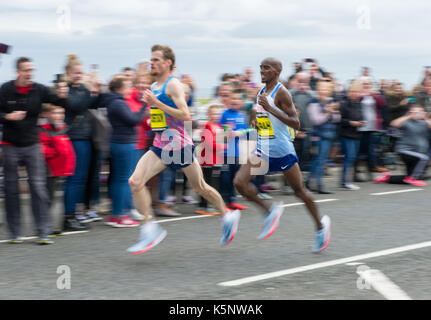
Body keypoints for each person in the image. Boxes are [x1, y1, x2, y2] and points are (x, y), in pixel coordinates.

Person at [126, 45, 237, 254]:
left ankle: (227, 215)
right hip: (161, 143)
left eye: (157, 59)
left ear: (168, 62)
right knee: (135, 181)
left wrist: (156, 102)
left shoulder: (173, 84)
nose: (153, 63)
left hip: (179, 144)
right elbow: (161, 115)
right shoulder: (154, 85)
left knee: (199, 187)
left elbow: (186, 115)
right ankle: (150, 228)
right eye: (151, 59)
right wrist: (152, 116)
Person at [233, 57, 331, 253]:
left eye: (266, 68)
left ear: (277, 71)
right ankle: (270, 212)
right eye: (260, 67)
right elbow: (262, 118)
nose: (262, 71)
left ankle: (321, 227)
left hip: (282, 151)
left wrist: (271, 108)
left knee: (299, 191)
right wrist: (256, 121)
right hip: (262, 150)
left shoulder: (282, 92)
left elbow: (296, 123)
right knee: (239, 182)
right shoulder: (261, 92)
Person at [0, 56, 68, 244]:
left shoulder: (39, 89)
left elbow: (59, 102)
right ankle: (15, 233)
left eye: (32, 70)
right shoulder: (5, 89)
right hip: (9, 145)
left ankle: (43, 232)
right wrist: (8, 117)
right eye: (26, 70)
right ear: (18, 72)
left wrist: (62, 94)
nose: (30, 74)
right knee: (11, 189)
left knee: (38, 188)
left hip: (32, 144)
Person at [63, 54, 103, 230]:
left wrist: (97, 91)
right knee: (74, 179)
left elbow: (95, 104)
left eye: (81, 72)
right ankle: (68, 215)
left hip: (85, 138)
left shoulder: (82, 89)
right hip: (74, 138)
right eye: (76, 72)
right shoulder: (66, 90)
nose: (79, 75)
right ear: (68, 72)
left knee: (81, 179)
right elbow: (77, 106)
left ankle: (75, 213)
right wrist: (91, 91)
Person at [105, 75, 146, 227]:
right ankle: (120, 215)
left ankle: (116, 213)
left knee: (118, 179)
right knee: (123, 180)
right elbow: (134, 120)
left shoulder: (113, 101)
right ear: (119, 88)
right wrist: (143, 106)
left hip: (118, 142)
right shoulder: (118, 103)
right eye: (128, 86)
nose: (130, 89)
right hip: (124, 143)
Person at [39, 104, 76, 235]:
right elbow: (42, 148)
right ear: (46, 114)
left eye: (61, 113)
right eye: (55, 113)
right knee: (47, 199)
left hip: (59, 169)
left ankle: (52, 226)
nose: (59, 116)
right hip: (49, 169)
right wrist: (56, 152)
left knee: (54, 198)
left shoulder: (62, 128)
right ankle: (44, 227)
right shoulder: (43, 129)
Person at [374, 105, 430, 186]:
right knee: (423, 159)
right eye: (415, 112)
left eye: (419, 112)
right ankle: (412, 178)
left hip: (418, 152)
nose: (417, 114)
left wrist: (425, 117)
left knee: (410, 177)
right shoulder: (406, 121)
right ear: (410, 112)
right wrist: (409, 116)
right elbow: (393, 124)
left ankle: (387, 178)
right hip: (405, 151)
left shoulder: (425, 122)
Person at [305, 80, 341, 194]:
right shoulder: (313, 103)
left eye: (327, 89)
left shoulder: (331, 102)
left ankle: (308, 181)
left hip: (329, 135)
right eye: (322, 89)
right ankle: (320, 184)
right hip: (318, 136)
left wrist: (332, 111)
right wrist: (327, 112)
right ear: (318, 90)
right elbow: (316, 120)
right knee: (320, 161)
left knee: (318, 160)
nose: (324, 91)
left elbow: (337, 119)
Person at [219, 91, 249, 211]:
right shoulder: (224, 114)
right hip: (226, 152)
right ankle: (224, 201)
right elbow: (219, 133)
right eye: (233, 98)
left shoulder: (242, 116)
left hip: (238, 152)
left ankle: (233, 200)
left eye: (238, 99)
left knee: (234, 177)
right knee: (225, 177)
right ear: (229, 101)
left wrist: (241, 133)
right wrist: (227, 133)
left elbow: (246, 132)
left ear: (242, 102)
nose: (235, 101)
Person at [195, 105, 225, 215]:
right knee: (207, 183)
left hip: (217, 160)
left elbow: (220, 141)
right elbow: (209, 144)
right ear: (208, 115)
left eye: (217, 114)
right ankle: (203, 205)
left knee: (214, 183)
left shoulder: (219, 126)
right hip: (207, 160)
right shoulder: (207, 126)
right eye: (213, 113)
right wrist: (223, 147)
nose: (215, 116)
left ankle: (211, 204)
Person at [339, 82, 364, 190]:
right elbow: (340, 119)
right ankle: (345, 182)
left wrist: (361, 122)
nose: (355, 93)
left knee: (352, 158)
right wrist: (351, 122)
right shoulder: (344, 104)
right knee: (349, 157)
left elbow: (360, 116)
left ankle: (346, 180)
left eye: (357, 91)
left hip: (356, 134)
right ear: (349, 93)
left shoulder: (359, 104)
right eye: (353, 91)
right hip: (346, 134)